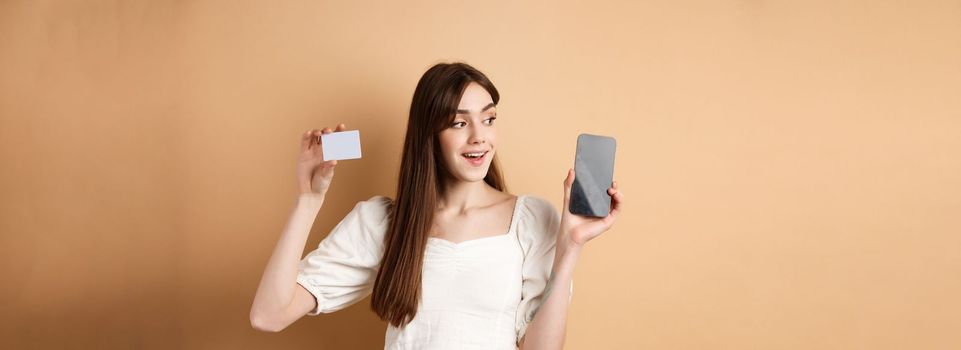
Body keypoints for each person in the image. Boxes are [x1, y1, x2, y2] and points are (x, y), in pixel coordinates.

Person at [250, 62, 624, 349]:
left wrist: (569, 247)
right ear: (429, 134)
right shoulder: (383, 223)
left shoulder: (532, 219)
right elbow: (269, 315)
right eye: (459, 123)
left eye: (489, 118)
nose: (480, 136)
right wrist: (308, 199)